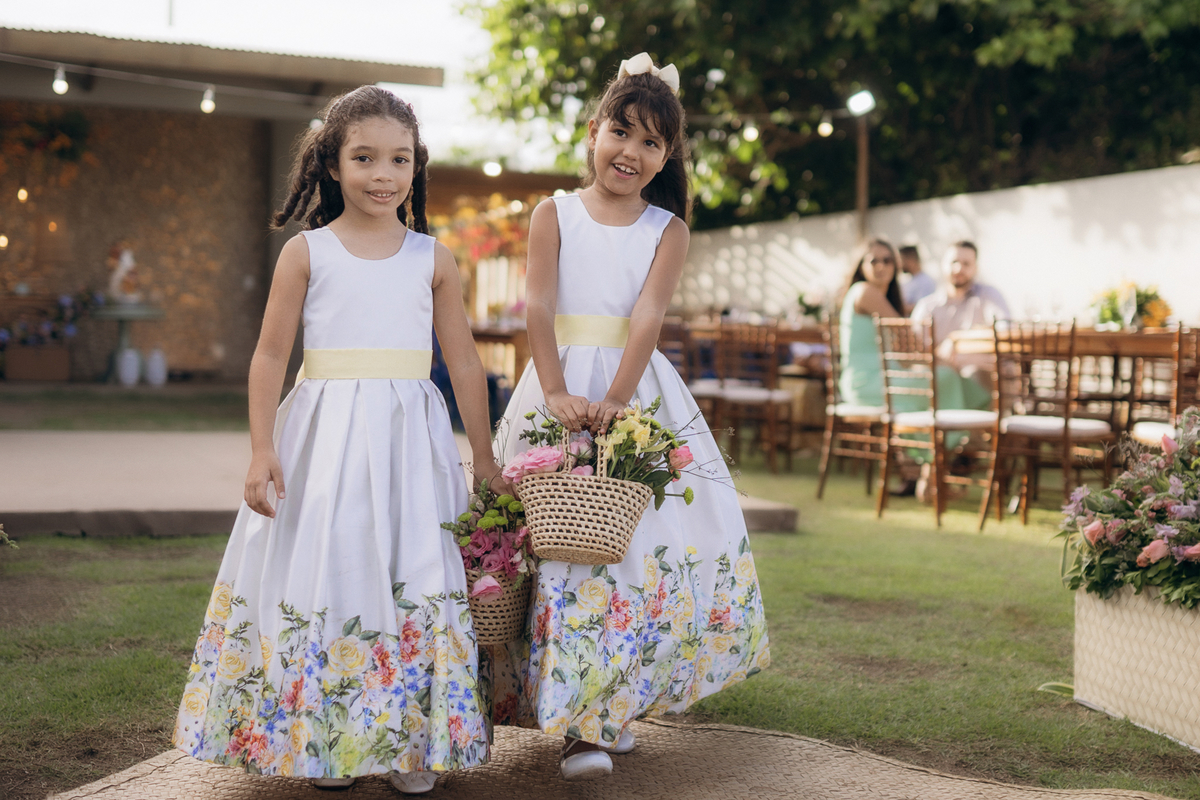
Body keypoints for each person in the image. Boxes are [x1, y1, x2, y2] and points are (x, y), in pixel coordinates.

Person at [171, 86, 507, 796]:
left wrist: (482, 456)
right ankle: (329, 738)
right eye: (365, 158)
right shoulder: (307, 252)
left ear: (416, 166)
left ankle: (412, 742)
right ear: (331, 164)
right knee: (333, 571)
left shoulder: (433, 259)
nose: (384, 174)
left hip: (411, 445)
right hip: (324, 440)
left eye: (400, 159)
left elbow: (465, 363)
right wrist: (262, 448)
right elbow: (270, 355)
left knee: (418, 574)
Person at [485, 53, 770, 781]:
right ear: (593, 131)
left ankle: (603, 711)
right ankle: (575, 715)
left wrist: (616, 398)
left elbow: (647, 317)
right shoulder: (553, 213)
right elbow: (538, 305)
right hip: (554, 390)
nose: (631, 152)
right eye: (622, 132)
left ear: (666, 156)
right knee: (552, 543)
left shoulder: (666, 229)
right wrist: (556, 392)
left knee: (633, 550)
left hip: (636, 392)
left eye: (651, 142)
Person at [911, 240, 1010, 411]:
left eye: (966, 264)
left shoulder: (988, 295)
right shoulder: (926, 306)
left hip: (983, 376)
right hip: (941, 381)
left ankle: (990, 423)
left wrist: (957, 340)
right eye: (954, 262)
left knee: (982, 371)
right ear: (943, 265)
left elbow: (1005, 329)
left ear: (975, 268)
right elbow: (915, 351)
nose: (958, 269)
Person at [836, 238, 905, 409]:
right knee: (945, 377)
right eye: (874, 261)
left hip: (882, 379)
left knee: (944, 375)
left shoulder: (882, 297)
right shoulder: (865, 291)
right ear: (861, 266)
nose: (881, 266)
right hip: (867, 384)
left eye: (887, 261)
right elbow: (907, 335)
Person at [898, 244, 936, 313]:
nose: (899, 264)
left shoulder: (925, 282)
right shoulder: (907, 280)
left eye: (901, 260)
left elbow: (923, 307)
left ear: (910, 260)